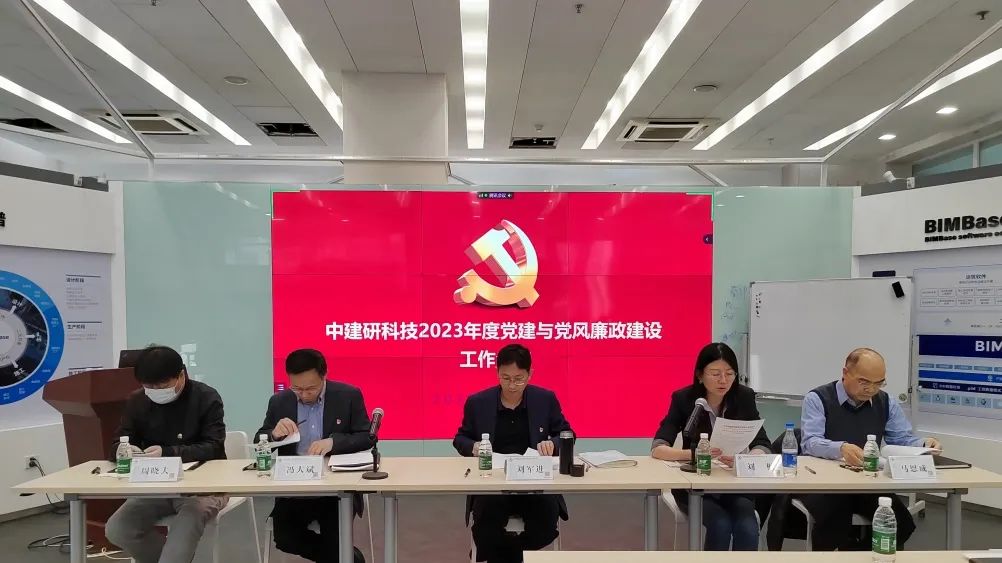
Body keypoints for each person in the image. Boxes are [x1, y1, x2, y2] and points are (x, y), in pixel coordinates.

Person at [799, 347, 941, 551]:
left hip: (866, 482)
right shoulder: (818, 398)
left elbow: (901, 438)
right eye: (864, 382)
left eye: (879, 383)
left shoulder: (886, 402)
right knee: (835, 524)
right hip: (824, 483)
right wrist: (841, 448)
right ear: (845, 373)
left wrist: (925, 444)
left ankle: (855, 556)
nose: (871, 389)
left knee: (902, 524)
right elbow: (810, 442)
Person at [104, 345, 227, 563]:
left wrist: (168, 453)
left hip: (203, 488)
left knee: (189, 519)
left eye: (161, 385)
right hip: (157, 486)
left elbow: (213, 447)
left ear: (181, 375)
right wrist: (126, 451)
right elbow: (118, 442)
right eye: (148, 386)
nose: (155, 391)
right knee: (118, 528)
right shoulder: (137, 401)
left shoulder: (206, 397)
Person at [454, 344, 572, 563]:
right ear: (497, 373)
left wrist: (553, 444)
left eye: (519, 379)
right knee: (486, 523)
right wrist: (474, 447)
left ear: (530, 374)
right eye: (505, 378)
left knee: (545, 524)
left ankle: (502, 554)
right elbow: (460, 439)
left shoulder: (545, 399)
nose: (511, 385)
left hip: (534, 483)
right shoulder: (478, 402)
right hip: (493, 484)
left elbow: (567, 434)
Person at [651, 342, 771, 551]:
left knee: (747, 527)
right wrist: (694, 454)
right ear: (700, 375)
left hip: (732, 484)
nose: (723, 380)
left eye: (729, 373)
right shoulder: (684, 399)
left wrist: (746, 459)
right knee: (720, 525)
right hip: (695, 487)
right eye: (715, 373)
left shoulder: (744, 397)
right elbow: (658, 448)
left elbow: (763, 444)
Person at [256, 349, 371, 563]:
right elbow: (260, 441)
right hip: (295, 488)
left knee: (335, 536)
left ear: (324, 375)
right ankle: (350, 558)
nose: (304, 394)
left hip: (336, 488)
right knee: (285, 538)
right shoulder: (280, 401)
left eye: (311, 388)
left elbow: (367, 437)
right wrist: (274, 434)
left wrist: (333, 443)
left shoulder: (348, 395)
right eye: (297, 388)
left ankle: (342, 555)